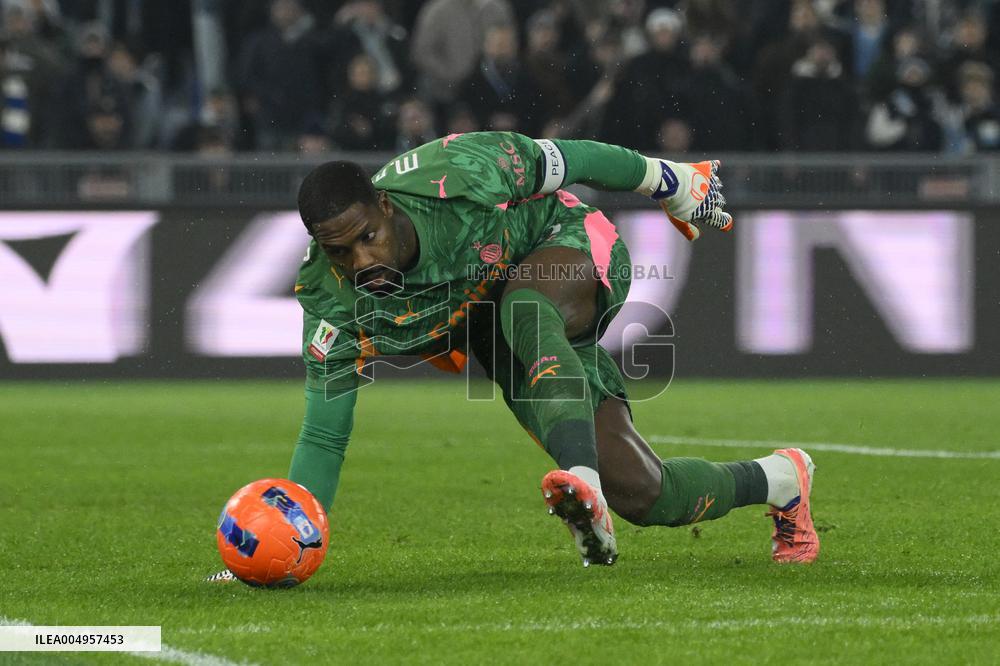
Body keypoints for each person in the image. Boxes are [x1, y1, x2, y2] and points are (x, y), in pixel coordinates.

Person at [207, 131, 817, 580]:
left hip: (565, 244)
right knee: (645, 494)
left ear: (385, 206)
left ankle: (582, 484)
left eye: (368, 237)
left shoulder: (459, 173)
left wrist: (670, 180)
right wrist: (287, 540)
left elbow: (575, 159)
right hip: (496, 330)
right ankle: (781, 479)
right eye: (341, 253)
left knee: (525, 305)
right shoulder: (331, 304)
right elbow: (324, 437)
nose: (361, 261)